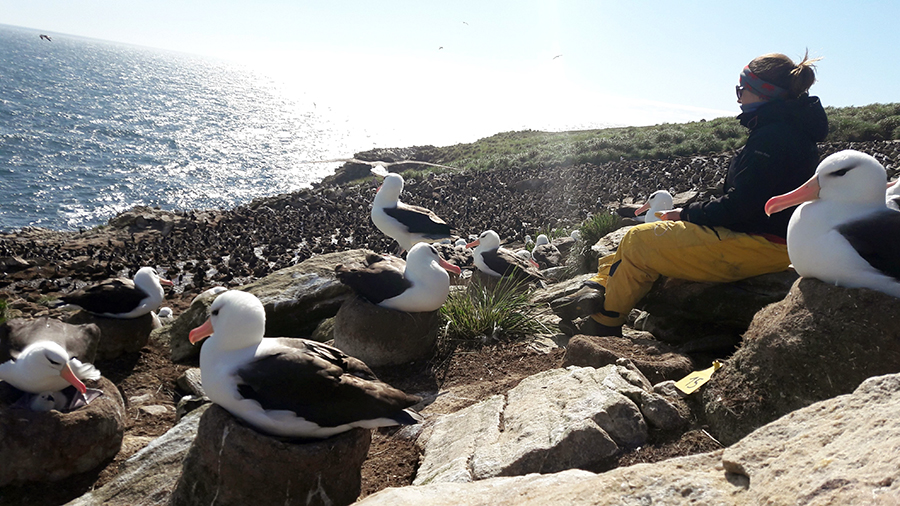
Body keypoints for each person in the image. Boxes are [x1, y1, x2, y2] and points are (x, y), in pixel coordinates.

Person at [553, 51, 828, 337]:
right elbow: (744, 197)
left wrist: (687, 213)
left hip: (761, 243)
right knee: (645, 236)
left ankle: (603, 324)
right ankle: (599, 288)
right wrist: (692, 212)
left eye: (741, 89)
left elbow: (742, 205)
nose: (737, 97)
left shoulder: (774, 136)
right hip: (765, 237)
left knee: (638, 240)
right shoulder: (784, 129)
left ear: (762, 93)